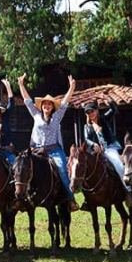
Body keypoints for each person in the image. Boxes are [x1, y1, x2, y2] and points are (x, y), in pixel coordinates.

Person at [18, 73, 79, 211]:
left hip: (54, 150)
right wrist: (21, 85)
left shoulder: (57, 116)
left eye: (49, 104)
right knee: (21, 167)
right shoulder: (36, 115)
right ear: (41, 106)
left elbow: (64, 103)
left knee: (63, 171)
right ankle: (20, 199)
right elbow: (27, 100)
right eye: (44, 104)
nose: (46, 105)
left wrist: (72, 87)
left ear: (52, 107)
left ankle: (70, 199)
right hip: (36, 149)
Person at [83, 99, 132, 202]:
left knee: (119, 165)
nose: (90, 113)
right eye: (88, 112)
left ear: (96, 111)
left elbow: (114, 109)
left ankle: (129, 191)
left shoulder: (104, 119)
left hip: (109, 148)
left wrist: (108, 101)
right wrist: (93, 144)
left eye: (92, 111)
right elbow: (87, 139)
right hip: (95, 151)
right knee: (84, 168)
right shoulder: (87, 126)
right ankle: (87, 199)